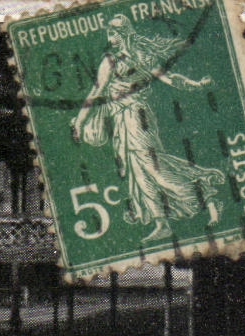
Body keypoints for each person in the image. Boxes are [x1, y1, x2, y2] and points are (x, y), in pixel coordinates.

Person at [70, 15, 224, 242]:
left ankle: (205, 196)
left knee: (153, 168)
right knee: (139, 171)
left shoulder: (122, 59)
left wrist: (79, 122)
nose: (109, 38)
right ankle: (161, 223)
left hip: (135, 118)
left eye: (112, 33)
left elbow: (97, 92)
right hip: (126, 119)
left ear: (122, 34)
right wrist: (196, 84)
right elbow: (98, 91)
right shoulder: (128, 57)